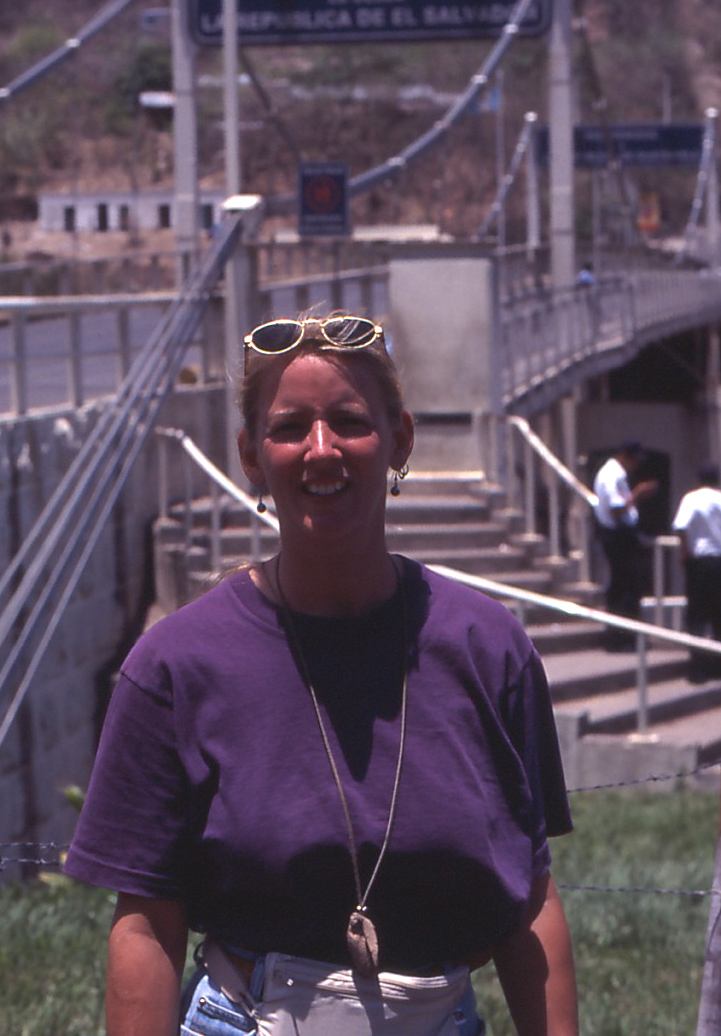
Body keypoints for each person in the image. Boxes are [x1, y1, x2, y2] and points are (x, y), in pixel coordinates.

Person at [65, 312, 578, 1036]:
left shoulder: (488, 648)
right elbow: (147, 924)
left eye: (348, 420)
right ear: (250, 455)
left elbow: (529, 894)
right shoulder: (174, 667)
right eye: (287, 428)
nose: (320, 450)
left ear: (398, 438)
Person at [593, 440, 658, 651]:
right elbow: (616, 508)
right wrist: (638, 494)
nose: (635, 464)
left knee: (628, 585)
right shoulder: (612, 474)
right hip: (618, 535)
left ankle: (625, 638)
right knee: (624, 587)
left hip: (622, 534)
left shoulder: (617, 473)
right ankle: (620, 639)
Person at [672, 461, 721, 682]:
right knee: (718, 616)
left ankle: (698, 668)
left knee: (698, 616)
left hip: (701, 561)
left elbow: (681, 526)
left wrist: (684, 551)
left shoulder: (692, 498)